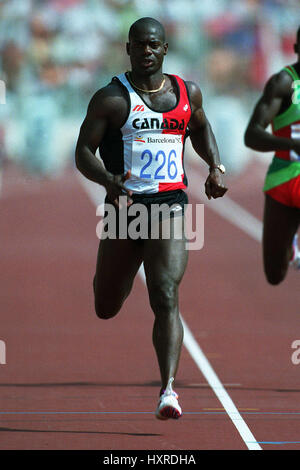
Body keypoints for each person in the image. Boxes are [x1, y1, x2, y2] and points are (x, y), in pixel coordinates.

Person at [75, 17, 227, 420]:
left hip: (170, 206)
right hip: (125, 211)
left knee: (165, 293)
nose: (147, 50)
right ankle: (114, 279)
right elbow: (82, 152)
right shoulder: (111, 98)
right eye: (139, 44)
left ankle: (168, 391)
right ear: (128, 49)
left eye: (154, 44)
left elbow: (201, 126)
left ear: (164, 49)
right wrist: (108, 179)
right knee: (106, 305)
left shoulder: (185, 92)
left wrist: (214, 166)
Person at [245, 27, 300, 285]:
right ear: (297, 49)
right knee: (274, 274)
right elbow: (252, 135)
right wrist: (290, 143)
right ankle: (291, 245)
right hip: (283, 178)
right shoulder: (283, 82)